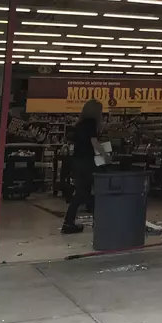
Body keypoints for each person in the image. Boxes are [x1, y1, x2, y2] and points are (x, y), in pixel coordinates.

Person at [62, 99, 109, 234]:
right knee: (85, 192)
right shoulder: (90, 123)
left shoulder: (80, 123)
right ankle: (70, 222)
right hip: (87, 162)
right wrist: (105, 155)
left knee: (86, 192)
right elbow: (94, 143)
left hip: (78, 161)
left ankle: (74, 222)